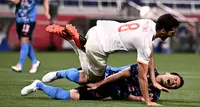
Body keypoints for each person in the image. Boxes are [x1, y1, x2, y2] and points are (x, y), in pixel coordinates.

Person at [45, 14, 179, 105]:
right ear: (162, 30)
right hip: (99, 46)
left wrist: (154, 81)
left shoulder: (149, 24)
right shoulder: (144, 42)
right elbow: (142, 77)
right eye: (173, 31)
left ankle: (81, 44)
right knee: (94, 79)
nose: (174, 33)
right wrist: (147, 101)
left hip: (97, 30)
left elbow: (150, 53)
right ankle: (74, 42)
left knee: (89, 71)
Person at [21, 63, 184, 102]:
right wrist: (100, 83)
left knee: (68, 97)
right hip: (107, 75)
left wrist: (139, 99)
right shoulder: (147, 68)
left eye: (175, 85)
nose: (173, 82)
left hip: (107, 93)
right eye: (175, 79)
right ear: (168, 73)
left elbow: (134, 98)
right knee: (80, 77)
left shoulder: (155, 94)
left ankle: (38, 85)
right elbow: (122, 74)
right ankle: (59, 73)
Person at [6, 0, 51, 73]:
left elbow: (45, 0)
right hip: (19, 20)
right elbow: (15, 2)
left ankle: (20, 65)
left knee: (24, 40)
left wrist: (47, 12)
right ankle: (34, 61)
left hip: (29, 20)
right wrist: (11, 0)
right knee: (26, 42)